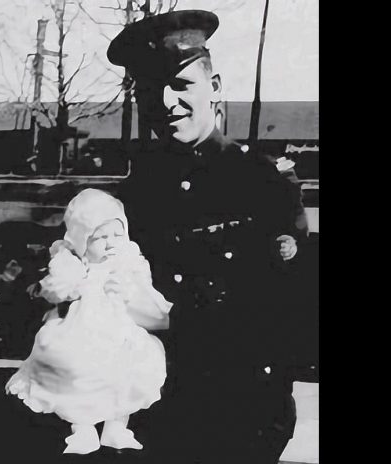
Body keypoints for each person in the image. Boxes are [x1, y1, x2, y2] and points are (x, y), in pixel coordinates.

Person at [107, 9, 312, 463]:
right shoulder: (134, 193)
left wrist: (173, 320)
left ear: (214, 88)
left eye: (181, 85)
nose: (165, 101)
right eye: (149, 89)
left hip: (238, 415)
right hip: (148, 415)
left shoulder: (265, 183)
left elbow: (287, 315)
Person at [4, 188, 173, 455]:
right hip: (80, 329)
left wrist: (129, 289)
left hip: (120, 330)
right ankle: (82, 428)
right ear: (82, 241)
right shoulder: (73, 265)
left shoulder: (128, 263)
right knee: (77, 372)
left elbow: (147, 295)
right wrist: (72, 284)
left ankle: (116, 427)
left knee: (129, 370)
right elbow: (53, 290)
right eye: (100, 238)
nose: (111, 243)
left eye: (118, 235)